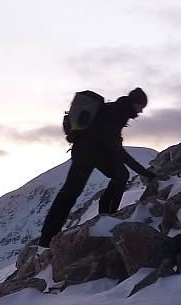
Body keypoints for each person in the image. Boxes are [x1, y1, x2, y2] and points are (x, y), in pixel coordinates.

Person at [38, 86, 156, 248]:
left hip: (83, 150)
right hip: (91, 152)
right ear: (135, 103)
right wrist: (143, 172)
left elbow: (110, 141)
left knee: (70, 192)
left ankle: (47, 236)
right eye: (141, 107)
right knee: (119, 176)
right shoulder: (119, 111)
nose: (141, 112)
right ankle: (107, 217)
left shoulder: (114, 109)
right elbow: (113, 142)